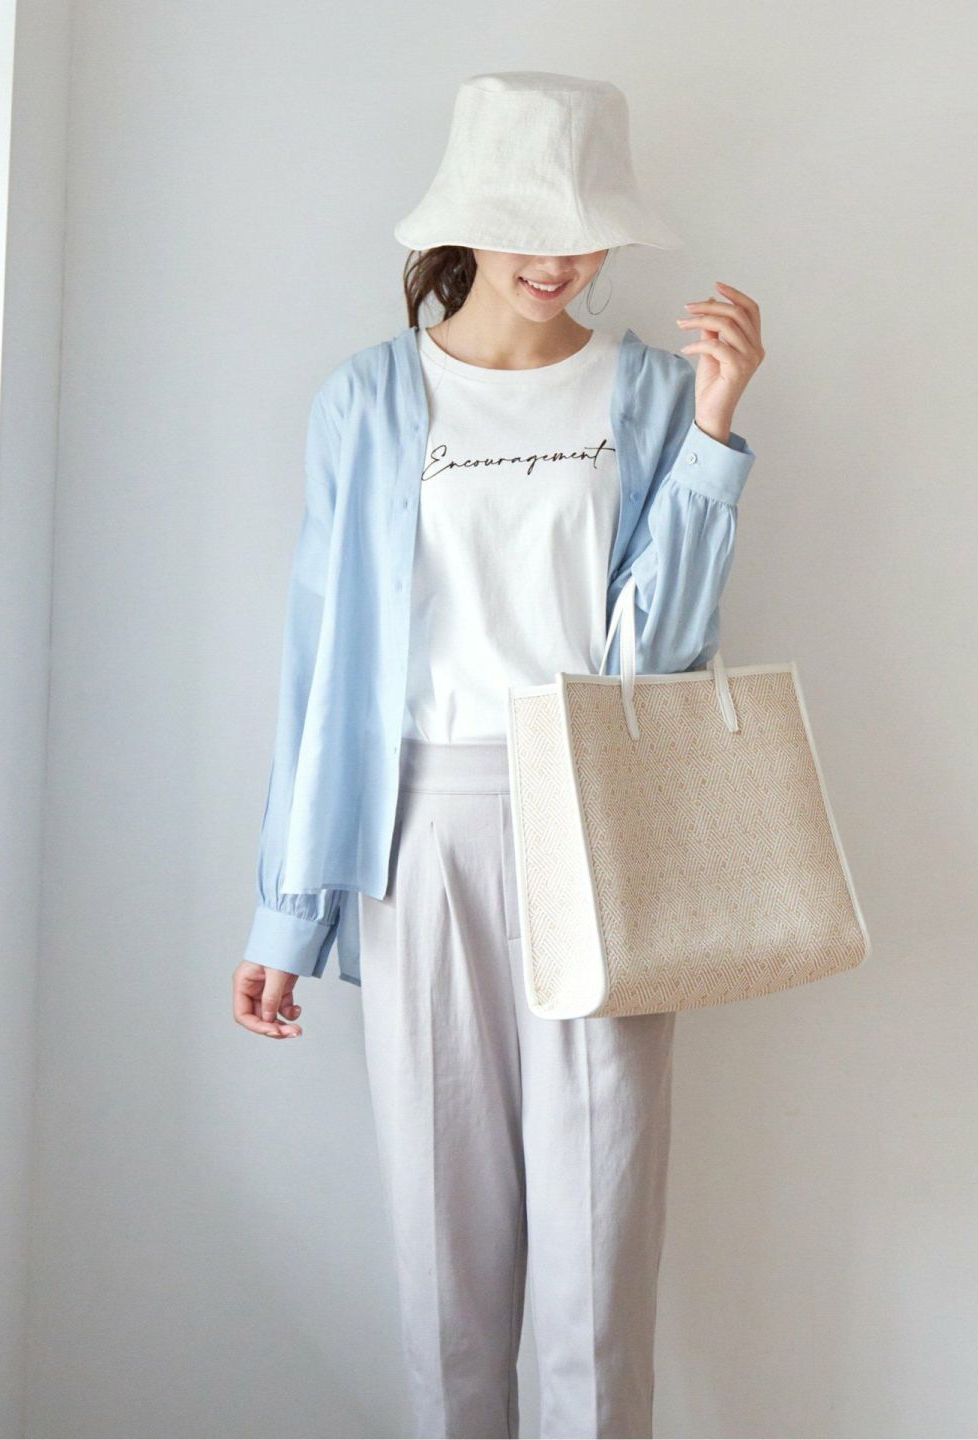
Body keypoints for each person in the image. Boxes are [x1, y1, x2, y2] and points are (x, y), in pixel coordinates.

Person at [231, 71, 764, 1440]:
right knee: (444, 1266)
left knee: (598, 1268)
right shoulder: (366, 401)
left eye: (584, 230)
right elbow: (321, 666)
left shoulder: (652, 392)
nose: (558, 257)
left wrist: (713, 431)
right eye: (530, 222)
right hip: (420, 827)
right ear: (464, 219)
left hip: (601, 822)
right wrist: (287, 911)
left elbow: (662, 656)